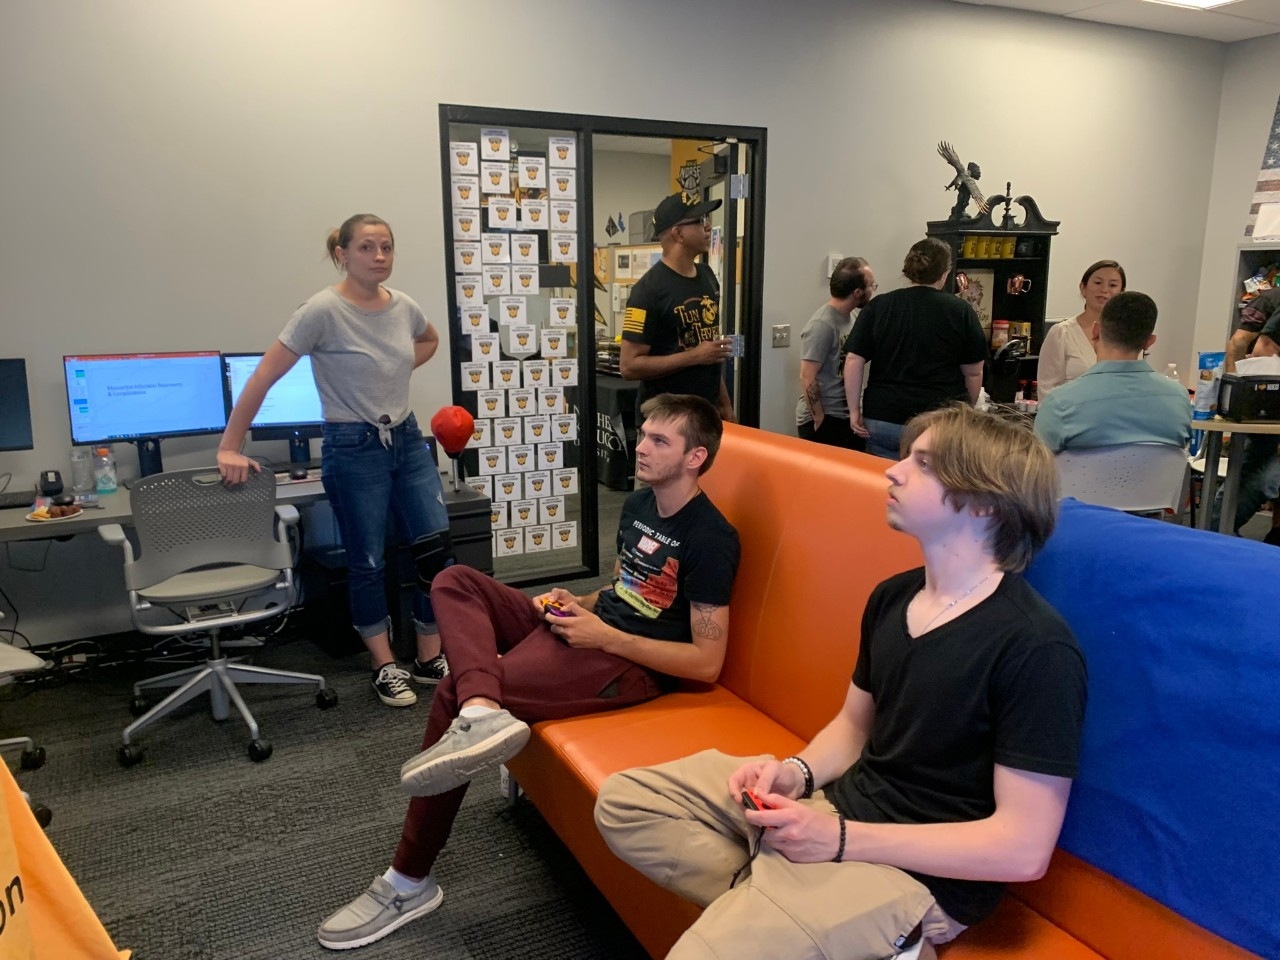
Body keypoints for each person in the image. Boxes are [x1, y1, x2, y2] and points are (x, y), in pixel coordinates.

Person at [595, 404, 1086, 960]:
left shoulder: (1037, 648)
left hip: (917, 872)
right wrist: (793, 774)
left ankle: (871, 927)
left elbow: (1022, 850)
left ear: (983, 502)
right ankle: (775, 900)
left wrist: (841, 841)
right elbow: (853, 728)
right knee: (626, 802)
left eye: (921, 464)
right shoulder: (894, 597)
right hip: (840, 809)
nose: (893, 471)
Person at [317, 394, 740, 951]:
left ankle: (408, 880)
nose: (639, 446)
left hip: (627, 668)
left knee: (449, 688)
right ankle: (482, 712)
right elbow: (623, 591)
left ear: (695, 458)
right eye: (642, 434)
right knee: (453, 581)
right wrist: (578, 602)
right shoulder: (639, 505)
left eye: (660, 440)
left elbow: (707, 664)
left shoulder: (712, 538)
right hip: (590, 634)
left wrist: (603, 635)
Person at [217, 214, 452, 709]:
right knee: (367, 560)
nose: (380, 256)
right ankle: (383, 664)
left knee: (434, 551)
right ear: (342, 254)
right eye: (367, 247)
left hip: (407, 440)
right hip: (352, 444)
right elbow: (262, 375)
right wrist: (229, 446)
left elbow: (428, 340)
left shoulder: (403, 306)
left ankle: (430, 657)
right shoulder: (321, 311)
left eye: (387, 247)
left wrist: (397, 367)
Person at [843, 238, 988, 459]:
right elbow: (973, 371)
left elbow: (854, 360)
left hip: (884, 416)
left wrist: (854, 410)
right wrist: (965, 414)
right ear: (945, 272)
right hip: (939, 420)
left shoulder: (879, 306)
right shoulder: (960, 311)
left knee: (883, 483)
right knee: (930, 485)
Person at [620, 192, 735, 422]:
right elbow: (629, 366)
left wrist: (725, 405)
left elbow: (709, 353)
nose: (708, 227)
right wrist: (694, 356)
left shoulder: (707, 276)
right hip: (663, 421)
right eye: (699, 221)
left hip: (705, 417)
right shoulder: (647, 290)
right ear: (678, 233)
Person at [1034, 292, 1191, 453]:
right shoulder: (1179, 399)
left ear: (1095, 332)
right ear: (1149, 342)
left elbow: (1037, 469)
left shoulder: (1060, 404)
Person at [795, 257, 875, 450]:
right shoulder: (822, 324)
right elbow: (807, 376)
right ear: (857, 292)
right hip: (825, 418)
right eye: (872, 285)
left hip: (847, 416)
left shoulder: (853, 316)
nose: (873, 289)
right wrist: (819, 417)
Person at [1223, 288, 1280, 544]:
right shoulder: (1270, 300)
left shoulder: (1270, 298)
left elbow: (1239, 344)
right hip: (1267, 417)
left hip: (1263, 414)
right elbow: (1260, 349)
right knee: (1258, 478)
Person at [1037, 260, 1126, 396]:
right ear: (1083, 288)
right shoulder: (1062, 332)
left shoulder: (1128, 334)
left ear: (1121, 293)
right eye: (1098, 283)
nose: (1104, 290)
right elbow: (1047, 389)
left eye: (1113, 285)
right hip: (1070, 414)